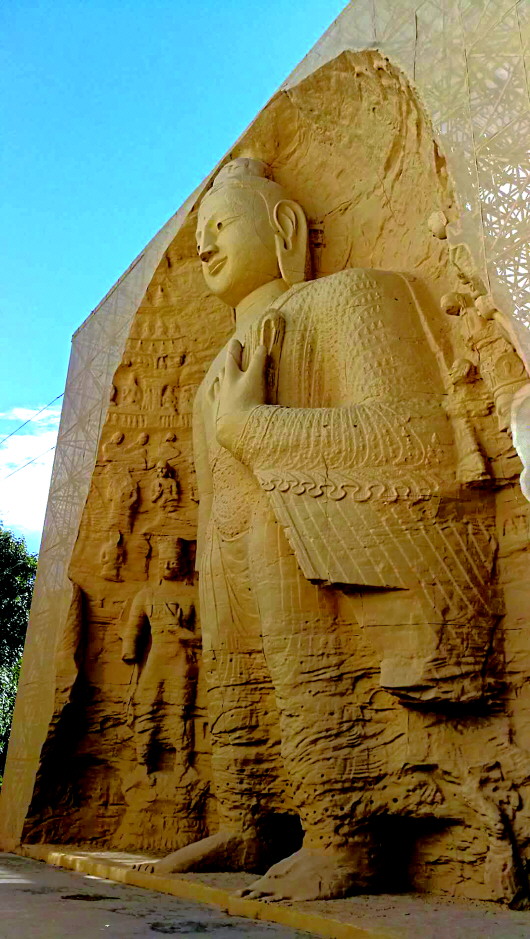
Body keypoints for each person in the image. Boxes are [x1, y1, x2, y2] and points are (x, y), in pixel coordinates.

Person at [135, 158, 498, 899]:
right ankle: (250, 818)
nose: (203, 246)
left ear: (285, 226)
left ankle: (343, 836)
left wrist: (252, 426)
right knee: (238, 678)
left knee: (307, 661)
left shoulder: (346, 299)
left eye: (221, 225)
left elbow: (415, 440)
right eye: (199, 233)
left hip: (307, 542)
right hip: (231, 560)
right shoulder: (209, 377)